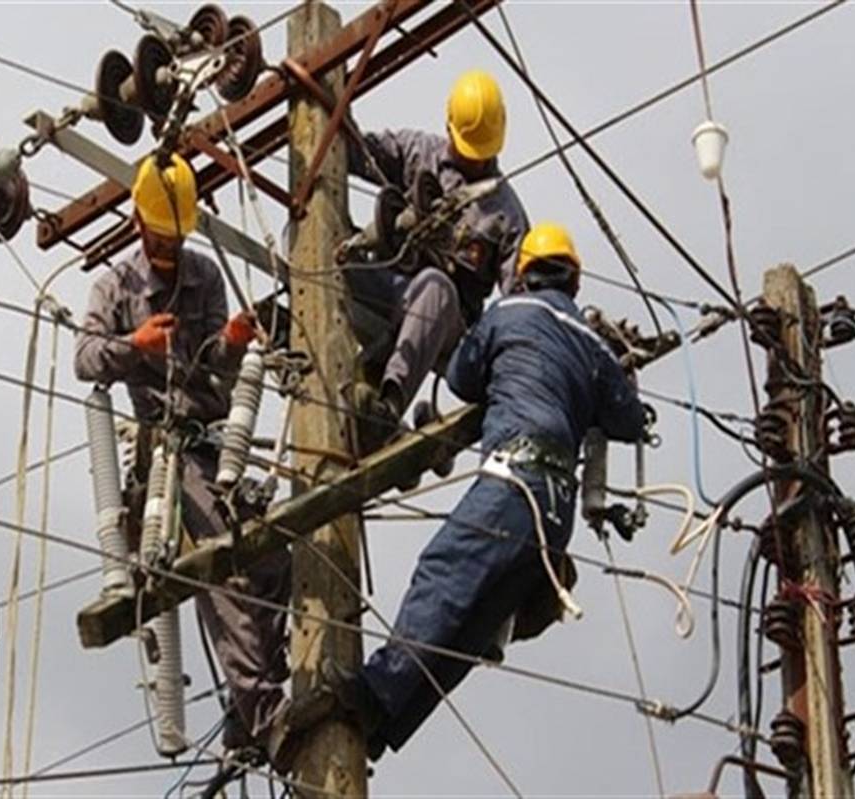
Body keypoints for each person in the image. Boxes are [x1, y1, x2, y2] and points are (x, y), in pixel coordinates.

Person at [291, 222, 647, 759]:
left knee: (445, 573)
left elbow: (460, 377)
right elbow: (628, 419)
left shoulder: (509, 313)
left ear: (523, 275)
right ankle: (385, 723)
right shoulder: (593, 345)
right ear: (574, 282)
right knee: (472, 630)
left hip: (513, 481)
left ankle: (373, 693)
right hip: (555, 515)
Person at [75, 153, 289, 756]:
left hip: (215, 443)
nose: (170, 246)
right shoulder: (116, 286)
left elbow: (212, 361)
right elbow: (84, 359)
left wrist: (232, 342)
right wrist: (133, 344)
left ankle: (250, 705)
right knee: (225, 565)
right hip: (165, 455)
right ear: (141, 225)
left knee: (275, 560)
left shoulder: (204, 275)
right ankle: (267, 711)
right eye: (162, 235)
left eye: (177, 236)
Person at [344, 69, 530, 450]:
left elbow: (520, 304)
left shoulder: (505, 214)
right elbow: (352, 153)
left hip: (447, 321)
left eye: (483, 154)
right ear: (448, 127)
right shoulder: (417, 152)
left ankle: (388, 407)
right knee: (331, 251)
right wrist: (333, 99)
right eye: (468, 150)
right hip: (389, 286)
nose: (475, 162)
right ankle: (296, 338)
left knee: (436, 286)